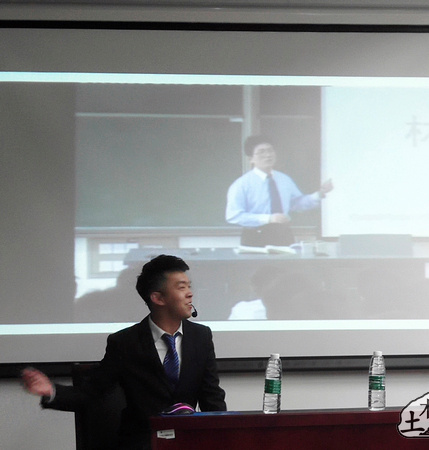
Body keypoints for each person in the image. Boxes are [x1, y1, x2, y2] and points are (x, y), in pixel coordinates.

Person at [22, 255, 226, 450]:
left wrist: (224, 438)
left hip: (189, 441)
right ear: (158, 298)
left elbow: (212, 397)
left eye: (189, 286)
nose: (190, 293)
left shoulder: (201, 336)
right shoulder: (125, 342)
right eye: (181, 287)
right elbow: (94, 391)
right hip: (143, 443)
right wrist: (52, 391)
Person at [226, 135, 333, 247]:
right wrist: (269, 218)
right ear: (250, 159)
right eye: (261, 152)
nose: (268, 155)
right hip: (255, 236)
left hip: (283, 234)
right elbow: (233, 215)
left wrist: (320, 193)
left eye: (270, 150)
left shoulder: (284, 179)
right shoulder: (242, 184)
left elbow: (296, 204)